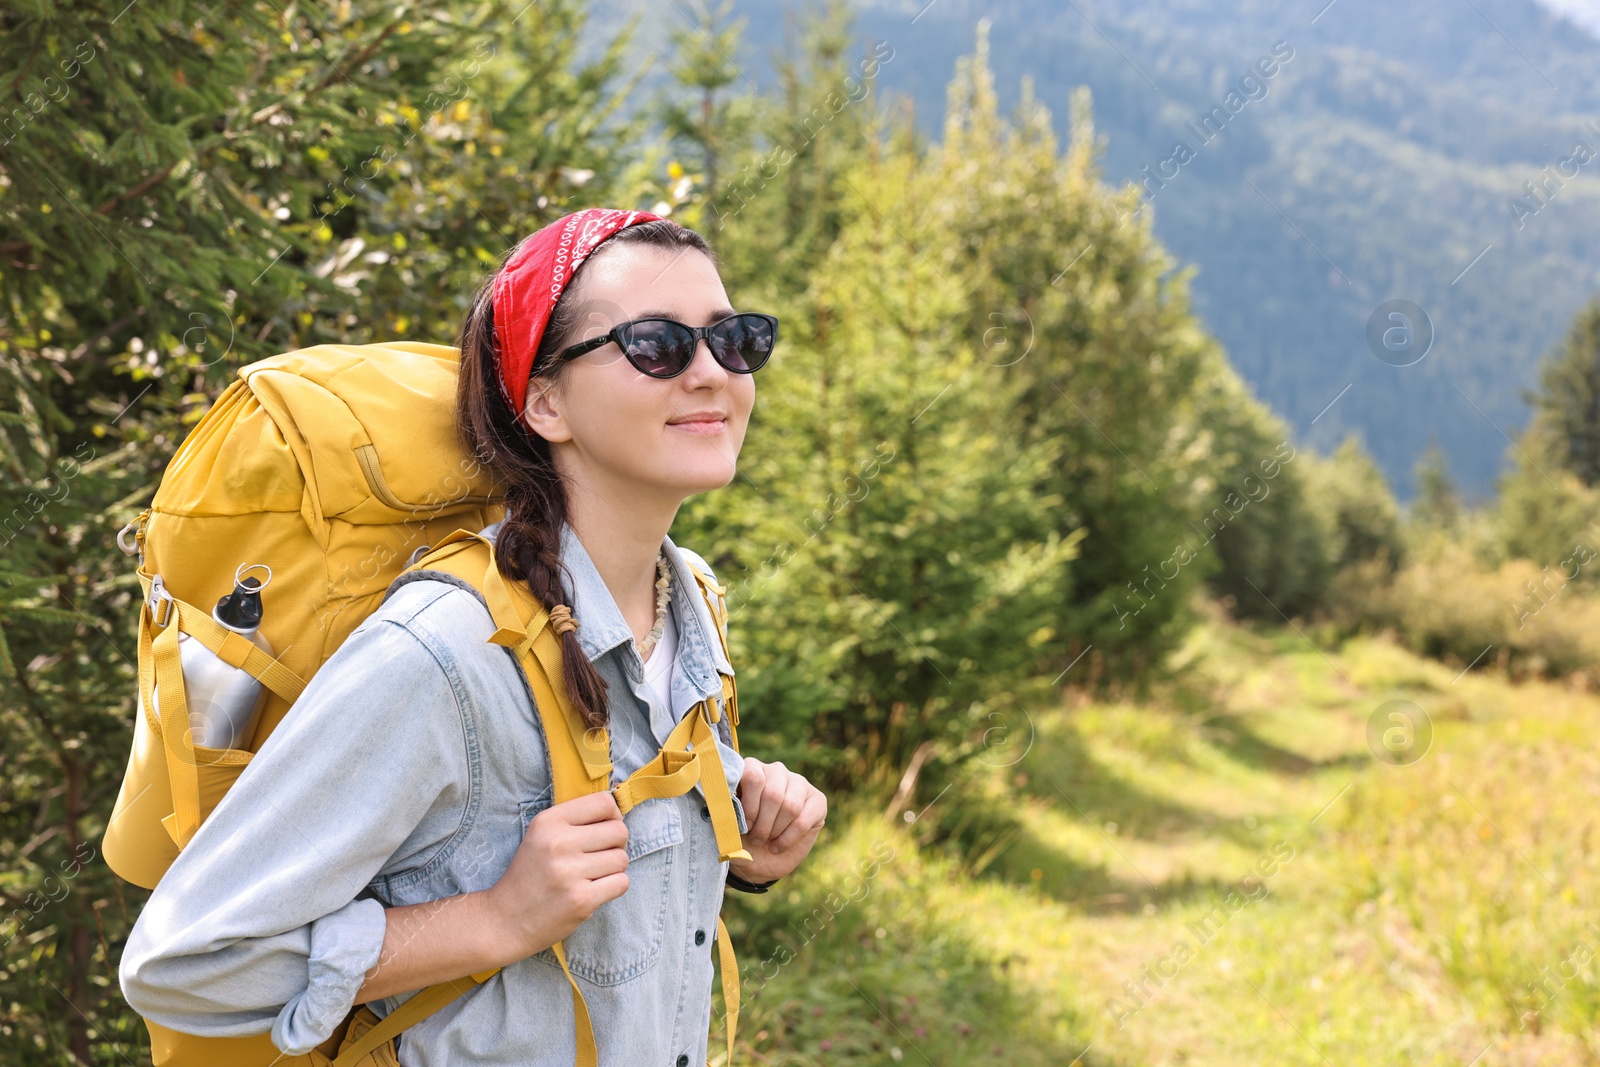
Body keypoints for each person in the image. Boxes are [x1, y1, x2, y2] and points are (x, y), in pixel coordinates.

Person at [118, 208, 828, 1066]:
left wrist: (743, 832)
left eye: (735, 339)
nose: (712, 372)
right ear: (545, 400)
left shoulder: (694, 602)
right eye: (656, 345)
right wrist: (494, 920)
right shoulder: (444, 651)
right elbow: (184, 962)